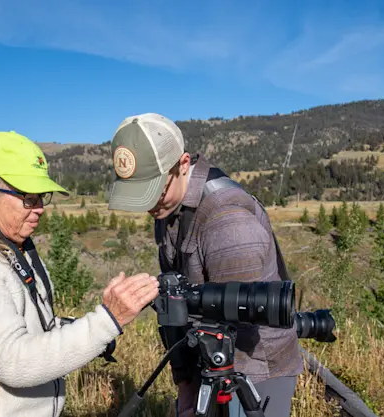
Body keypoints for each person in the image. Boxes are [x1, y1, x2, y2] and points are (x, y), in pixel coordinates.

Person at [0, 130, 160, 417]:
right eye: (27, 198)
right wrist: (106, 321)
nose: (39, 209)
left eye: (41, 197)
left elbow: (35, 329)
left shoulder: (10, 250)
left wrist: (84, 330)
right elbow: (14, 361)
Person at [107, 113, 304, 417]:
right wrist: (186, 381)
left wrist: (197, 390)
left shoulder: (225, 218)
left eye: (154, 190)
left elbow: (238, 331)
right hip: (207, 359)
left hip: (254, 370)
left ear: (183, 164)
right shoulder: (169, 207)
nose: (149, 205)